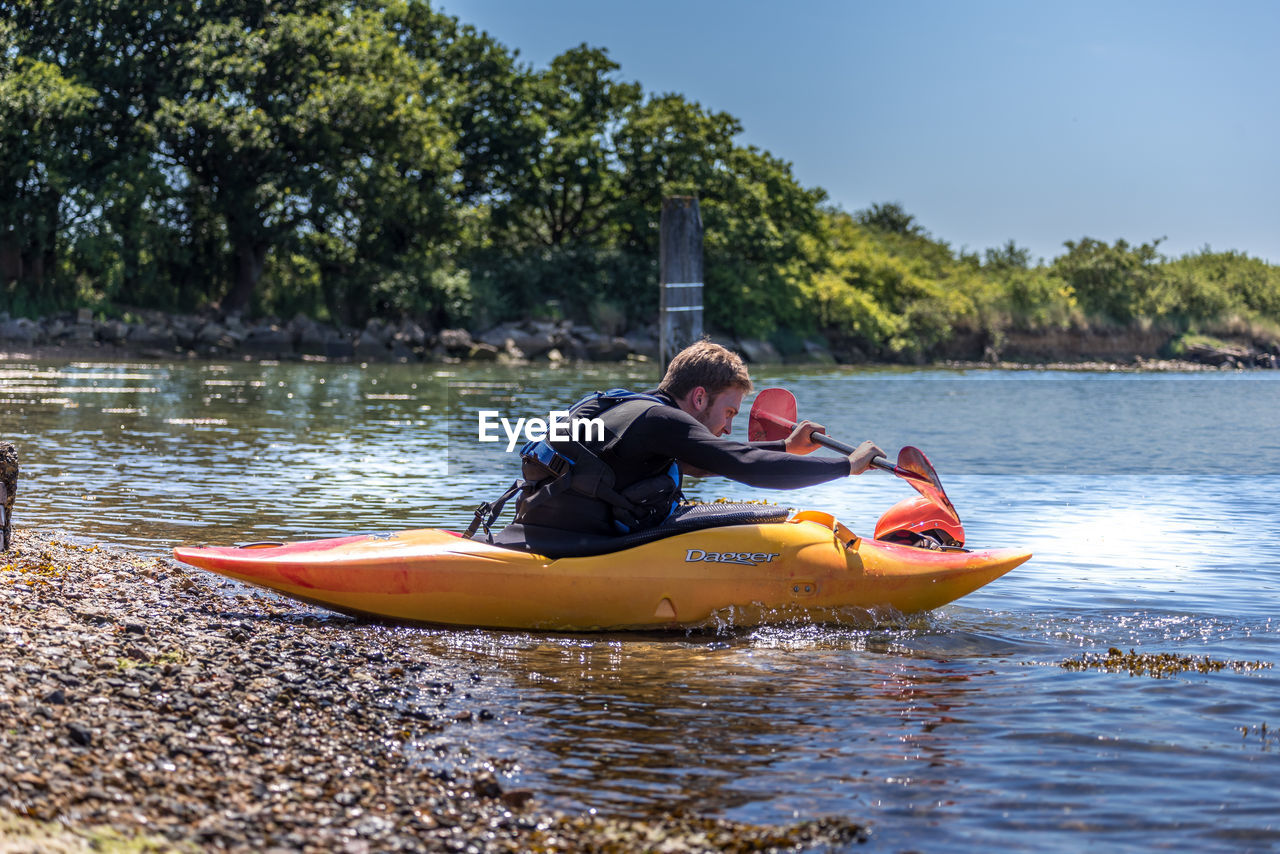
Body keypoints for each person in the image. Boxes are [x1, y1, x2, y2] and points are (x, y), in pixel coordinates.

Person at [470, 340, 883, 540]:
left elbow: (705, 460)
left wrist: (786, 448)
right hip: (580, 549)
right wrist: (847, 465)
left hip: (543, 532)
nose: (726, 428)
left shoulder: (632, 408)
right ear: (699, 397)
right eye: (728, 413)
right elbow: (744, 465)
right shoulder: (665, 421)